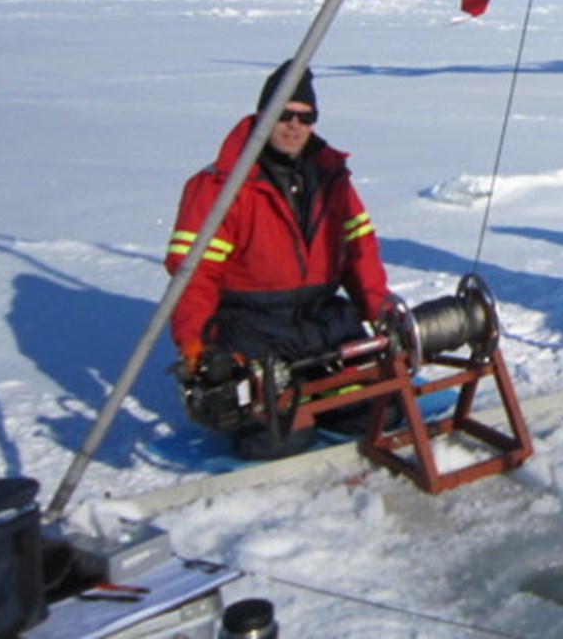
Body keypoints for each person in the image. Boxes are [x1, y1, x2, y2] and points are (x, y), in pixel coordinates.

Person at [165, 60, 395, 456]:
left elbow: (360, 253)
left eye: (305, 118)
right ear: (263, 116)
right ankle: (279, 412)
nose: (294, 126)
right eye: (283, 114)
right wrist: (195, 348)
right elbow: (192, 275)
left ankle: (328, 400)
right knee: (278, 440)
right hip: (253, 328)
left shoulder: (331, 177)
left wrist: (382, 313)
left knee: (381, 412)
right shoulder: (220, 186)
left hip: (323, 322)